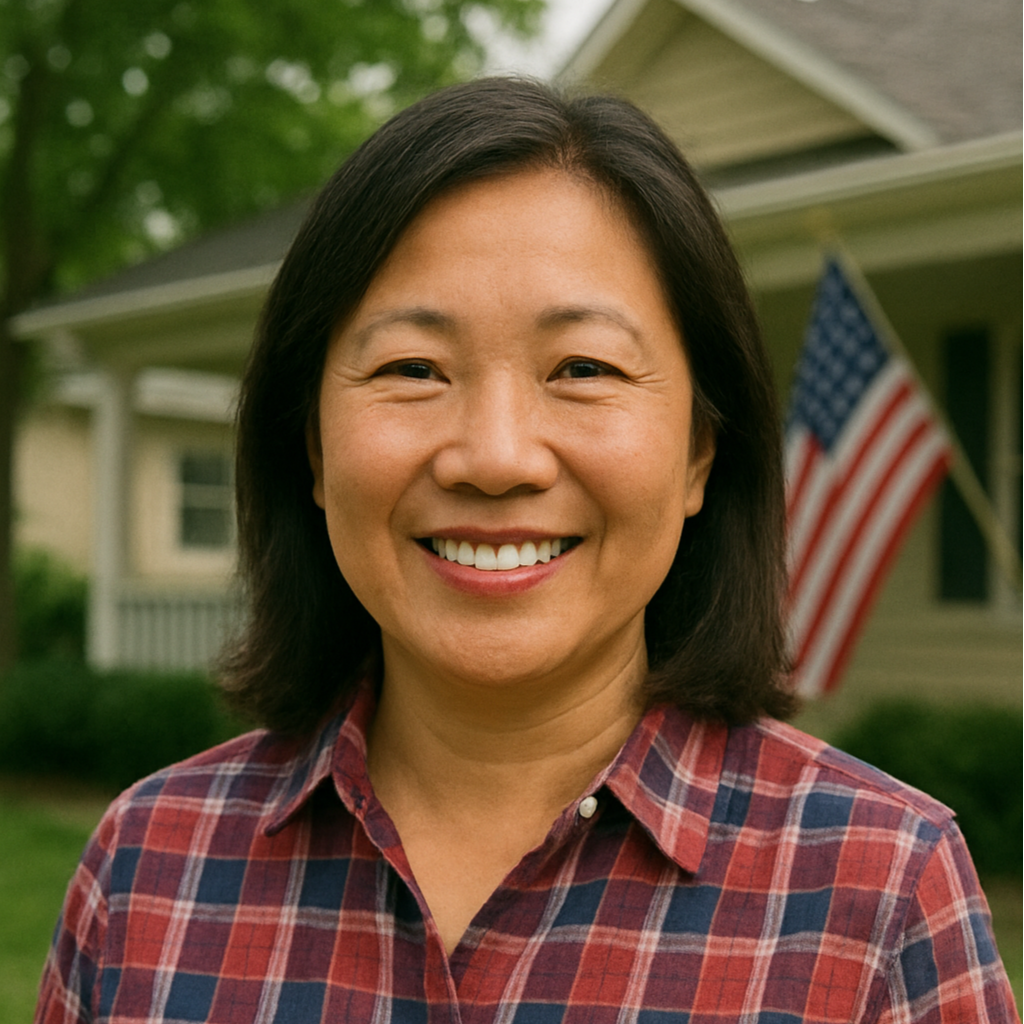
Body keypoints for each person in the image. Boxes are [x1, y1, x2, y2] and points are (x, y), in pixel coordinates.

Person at [36, 77, 1017, 1024]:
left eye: (582, 367)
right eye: (413, 368)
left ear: (698, 455)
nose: (495, 458)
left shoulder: (880, 888)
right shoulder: (148, 872)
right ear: (314, 450)